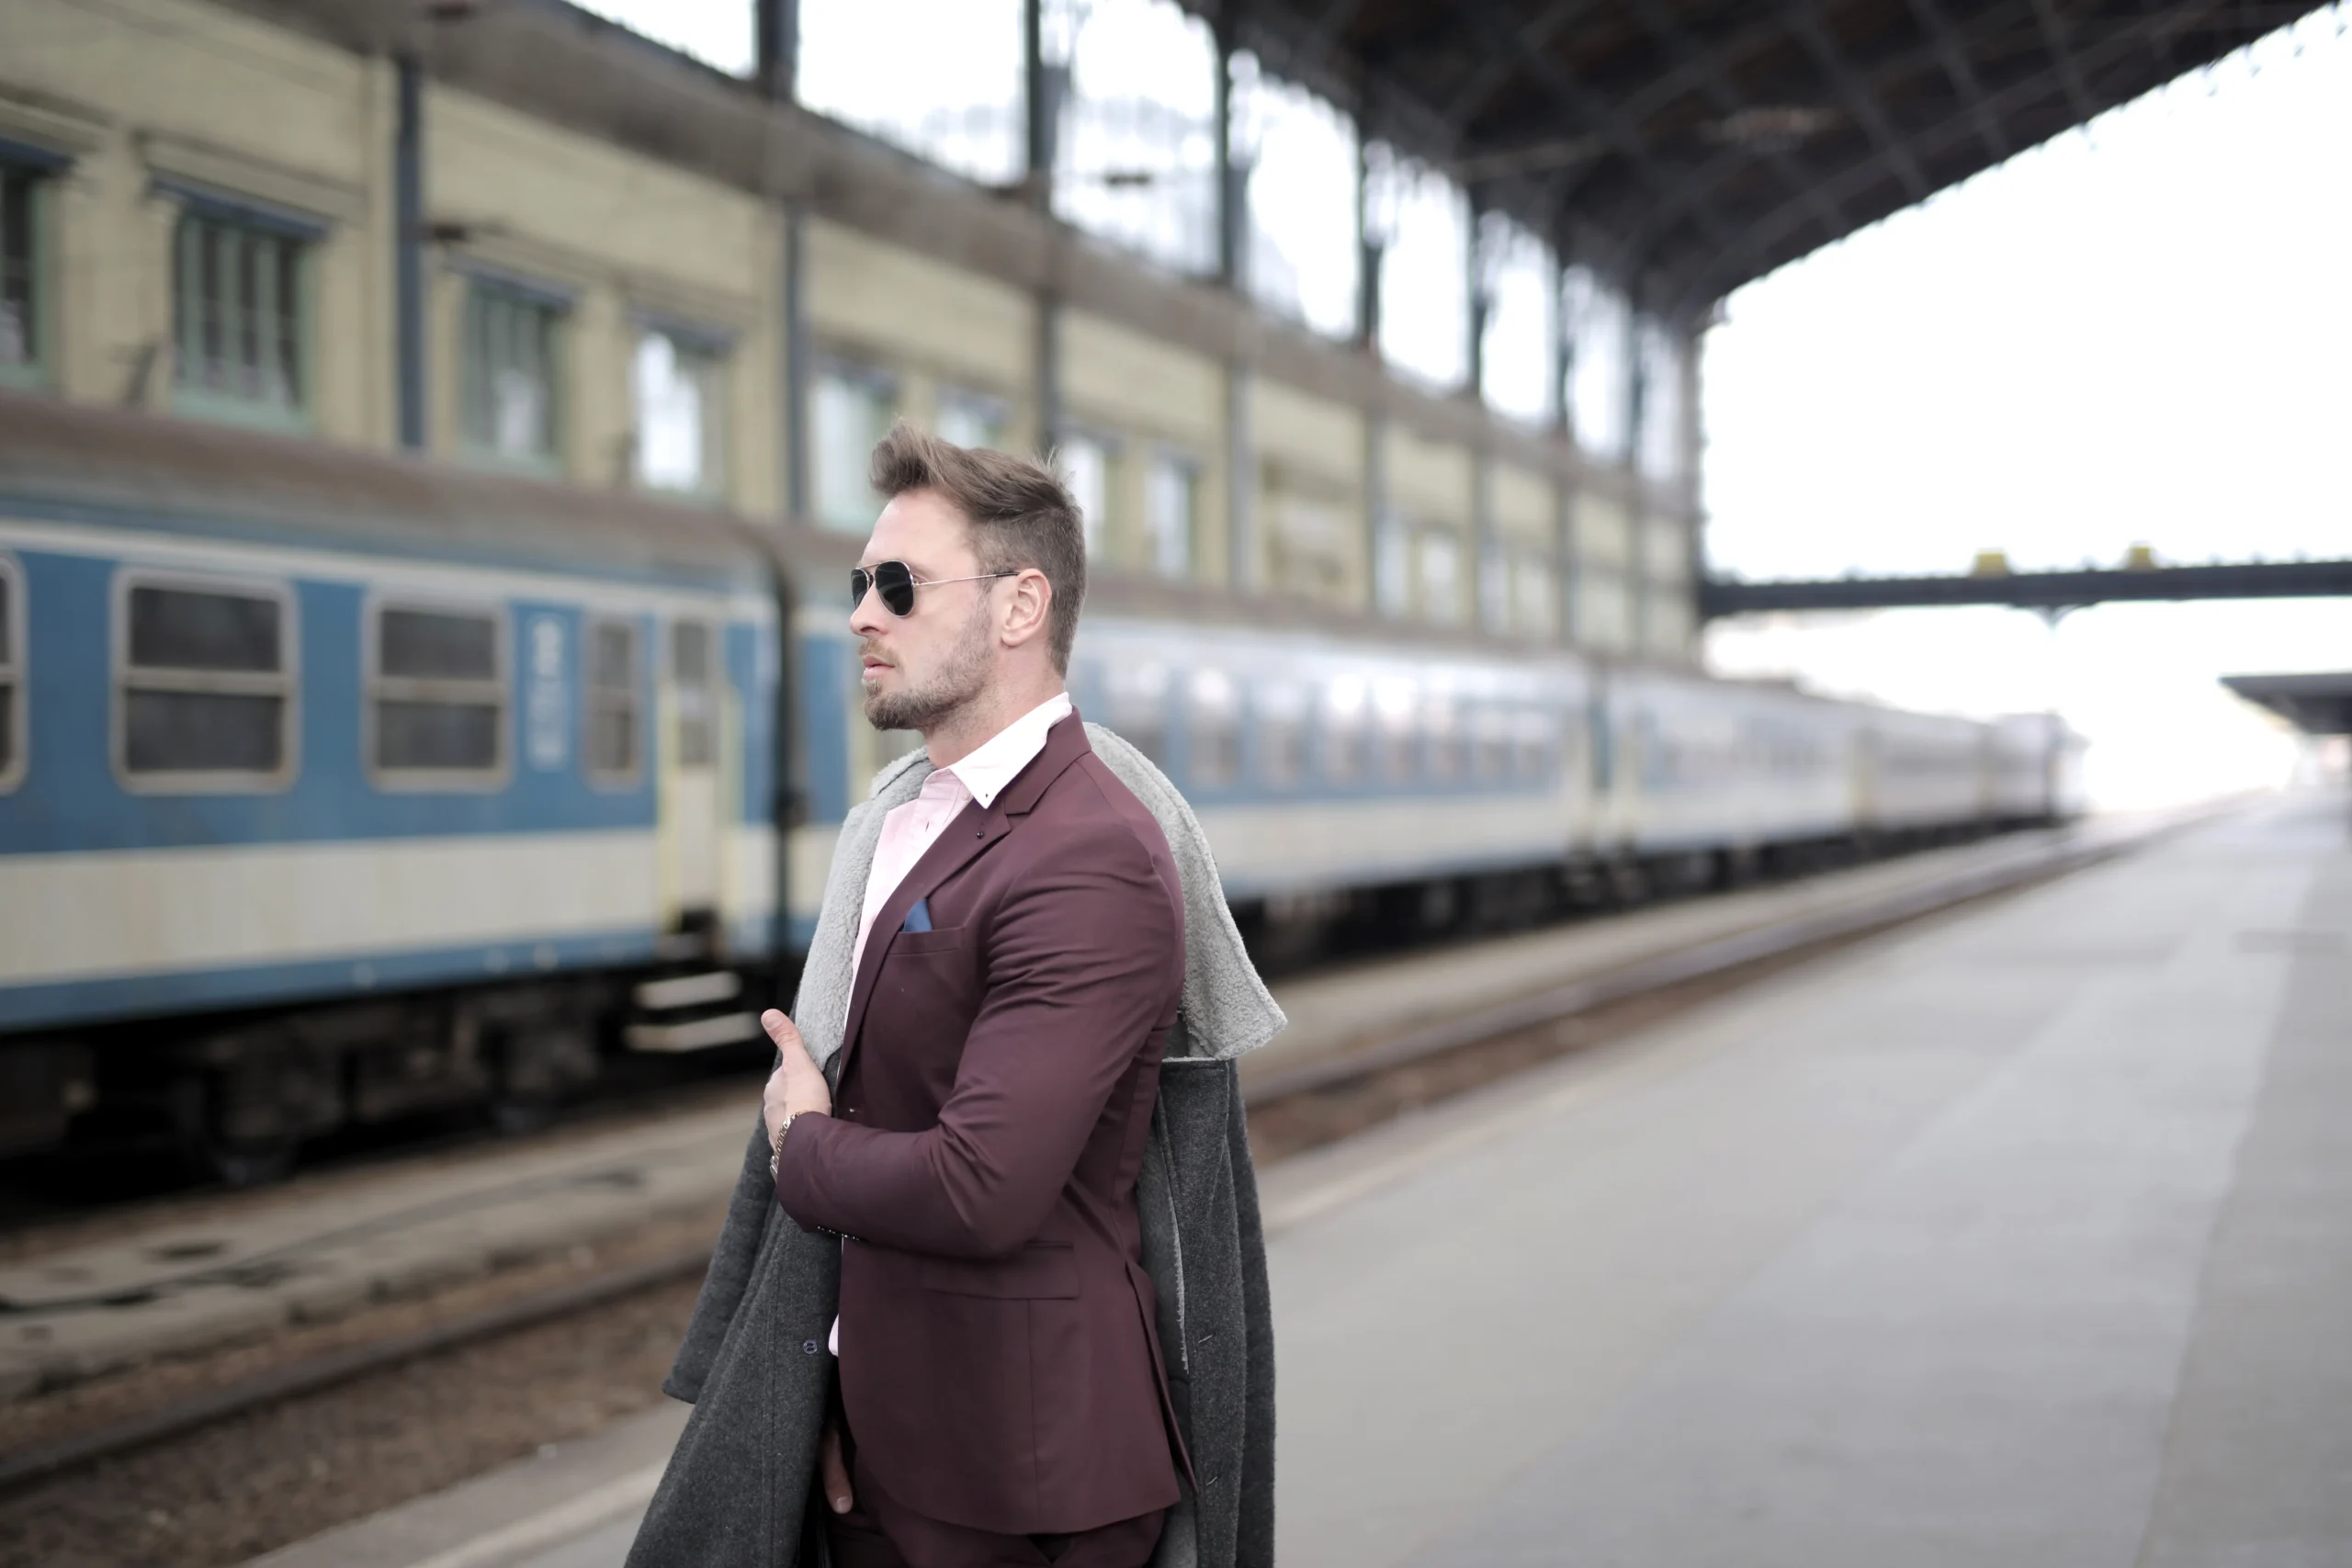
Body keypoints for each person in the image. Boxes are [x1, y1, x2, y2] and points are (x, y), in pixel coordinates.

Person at [628, 426, 1281, 1568]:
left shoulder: (1091, 853)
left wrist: (805, 1142)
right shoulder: (899, 820)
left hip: (1022, 1475)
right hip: (880, 1437)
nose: (860, 617)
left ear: (1020, 607)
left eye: (899, 586)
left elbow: (984, 1187)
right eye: (857, 586)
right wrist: (823, 1384)